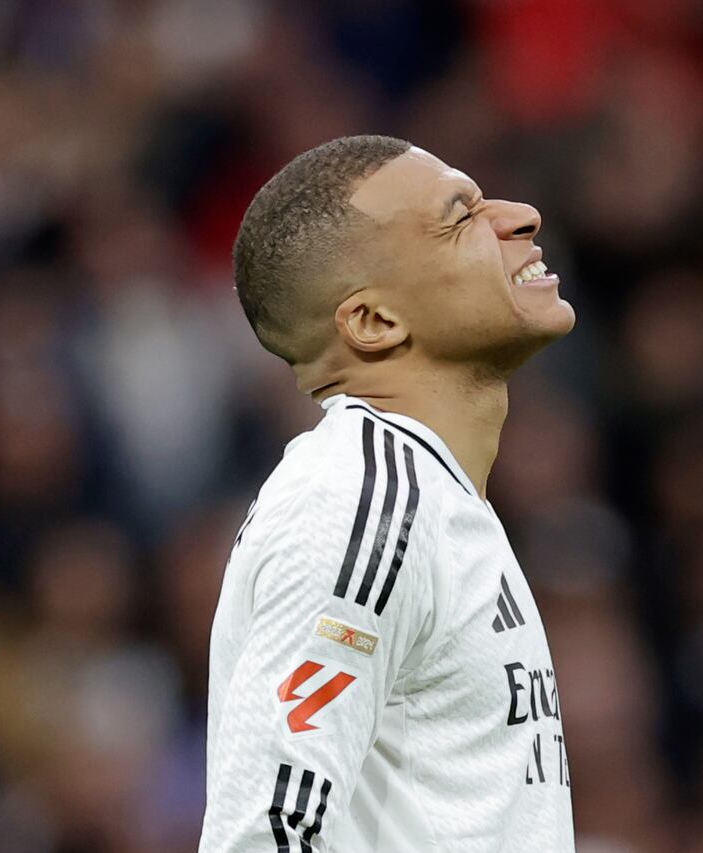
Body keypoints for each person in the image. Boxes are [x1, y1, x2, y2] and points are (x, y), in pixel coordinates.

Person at [199, 135, 577, 852]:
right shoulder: (359, 500)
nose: (520, 216)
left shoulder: (428, 497)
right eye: (460, 217)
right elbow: (266, 833)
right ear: (374, 322)